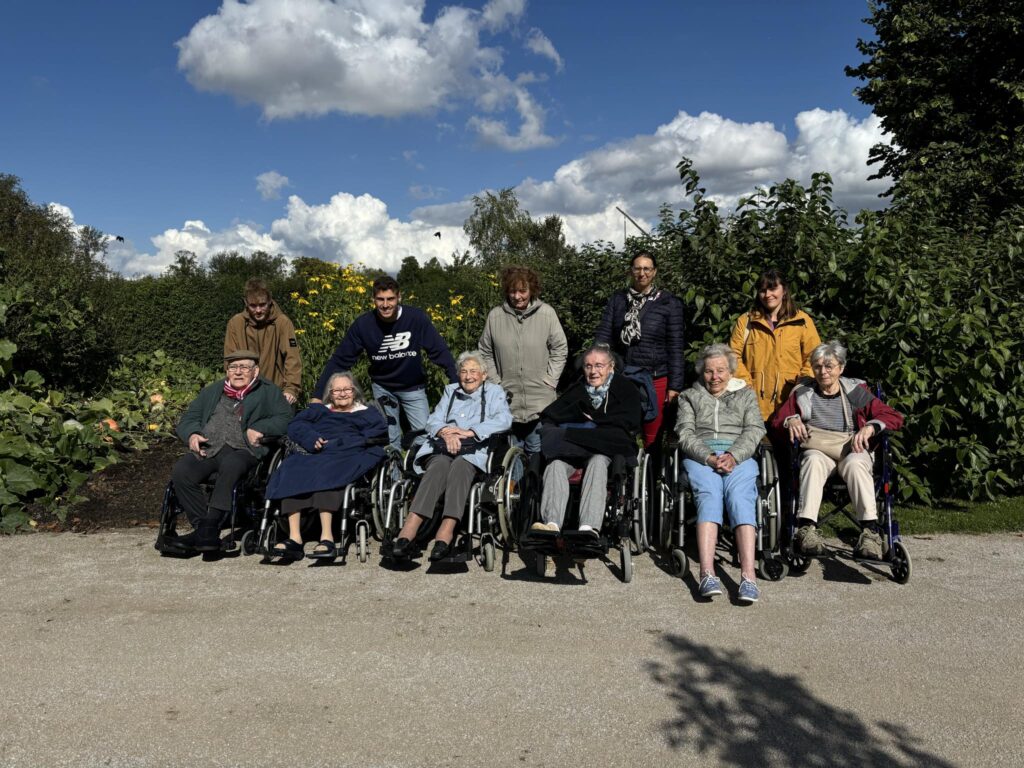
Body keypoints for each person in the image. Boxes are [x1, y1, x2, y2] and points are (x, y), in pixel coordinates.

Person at [771, 340, 904, 560]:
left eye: (829, 366)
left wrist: (871, 427)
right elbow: (777, 421)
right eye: (818, 367)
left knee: (857, 463)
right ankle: (806, 530)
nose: (823, 372)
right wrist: (791, 420)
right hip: (818, 449)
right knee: (811, 460)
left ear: (840, 368)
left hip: (851, 449)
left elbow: (893, 416)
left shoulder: (854, 391)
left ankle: (870, 533)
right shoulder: (803, 392)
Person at [390, 351, 512, 562]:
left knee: (461, 466)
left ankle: (446, 530)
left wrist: (470, 432)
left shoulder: (494, 392)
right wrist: (445, 432)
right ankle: (409, 529)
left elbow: (504, 420)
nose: (468, 376)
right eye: (463, 371)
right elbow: (432, 420)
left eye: (474, 371)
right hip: (441, 447)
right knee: (437, 465)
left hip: (474, 450)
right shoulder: (450, 391)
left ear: (484, 375)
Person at [167, 349, 292, 553]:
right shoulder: (212, 391)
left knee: (231, 464)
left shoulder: (269, 392)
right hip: (210, 448)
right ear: (227, 370)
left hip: (245, 451)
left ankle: (210, 524)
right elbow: (189, 418)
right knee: (182, 470)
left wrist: (261, 428)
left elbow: (285, 419)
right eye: (233, 367)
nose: (238, 372)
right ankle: (204, 529)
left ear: (255, 370)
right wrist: (192, 434)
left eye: (244, 367)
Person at [313, 275, 458, 449]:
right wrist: (318, 395)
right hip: (383, 387)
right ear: (373, 300)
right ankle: (393, 476)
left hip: (413, 387)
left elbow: (439, 351)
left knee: (424, 436)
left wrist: (456, 381)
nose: (385, 304)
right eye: (380, 299)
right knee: (390, 440)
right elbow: (340, 360)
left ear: (399, 298)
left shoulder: (416, 318)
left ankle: (421, 474)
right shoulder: (363, 325)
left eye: (390, 299)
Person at [675, 344, 766, 603]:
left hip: (739, 455)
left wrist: (734, 455)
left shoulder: (745, 395)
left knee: (740, 498)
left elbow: (755, 429)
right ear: (701, 373)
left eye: (721, 371)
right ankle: (707, 573)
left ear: (731, 371)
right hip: (702, 457)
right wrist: (709, 457)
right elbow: (685, 433)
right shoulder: (689, 396)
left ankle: (749, 576)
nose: (715, 377)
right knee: (709, 495)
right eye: (709, 371)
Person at [264, 372, 387, 560]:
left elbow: (377, 434)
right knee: (292, 468)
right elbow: (296, 424)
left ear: (354, 391)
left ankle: (327, 537)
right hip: (316, 451)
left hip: (347, 453)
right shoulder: (319, 410)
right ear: (330, 393)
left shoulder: (367, 412)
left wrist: (343, 443)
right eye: (337, 390)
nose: (342, 393)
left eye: (347, 389)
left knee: (330, 472)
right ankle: (294, 538)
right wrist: (310, 438)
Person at [531, 344, 643, 537]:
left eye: (599, 366)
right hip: (573, 451)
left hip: (604, 451)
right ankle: (551, 524)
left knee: (598, 462)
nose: (593, 371)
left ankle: (588, 527)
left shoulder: (626, 388)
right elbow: (550, 416)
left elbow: (630, 422)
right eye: (588, 366)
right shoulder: (577, 388)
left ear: (611, 367)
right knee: (556, 463)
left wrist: (595, 421)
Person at [595, 252, 684, 448]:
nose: (641, 273)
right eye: (637, 268)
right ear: (631, 271)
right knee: (622, 430)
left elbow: (676, 346)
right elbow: (603, 336)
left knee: (652, 435)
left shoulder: (668, 303)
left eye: (647, 269)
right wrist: (598, 367)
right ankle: (625, 475)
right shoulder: (618, 300)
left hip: (656, 377)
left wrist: (675, 386)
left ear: (654, 272)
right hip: (625, 376)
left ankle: (653, 477)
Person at [478, 265, 568, 454]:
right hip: (507, 400)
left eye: (522, 291)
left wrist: (550, 380)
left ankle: (535, 484)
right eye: (512, 291)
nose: (517, 296)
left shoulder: (547, 314)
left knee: (537, 452)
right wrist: (496, 383)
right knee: (511, 455)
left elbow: (560, 348)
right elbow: (485, 352)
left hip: (540, 401)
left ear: (532, 290)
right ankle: (516, 484)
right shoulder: (495, 316)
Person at [729, 269, 820, 422]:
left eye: (773, 288)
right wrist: (746, 383)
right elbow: (732, 356)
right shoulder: (746, 322)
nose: (768, 295)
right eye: (763, 290)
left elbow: (814, 357)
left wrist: (802, 385)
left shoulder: (803, 321)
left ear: (784, 290)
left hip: (791, 404)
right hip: (753, 404)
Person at [224, 278, 302, 405]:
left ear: (270, 301)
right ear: (245, 302)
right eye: (253, 306)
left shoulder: (283, 322)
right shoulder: (235, 323)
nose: (258, 310)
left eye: (262, 305)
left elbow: (292, 358)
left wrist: (291, 389)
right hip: (244, 393)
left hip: (276, 392)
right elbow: (230, 360)